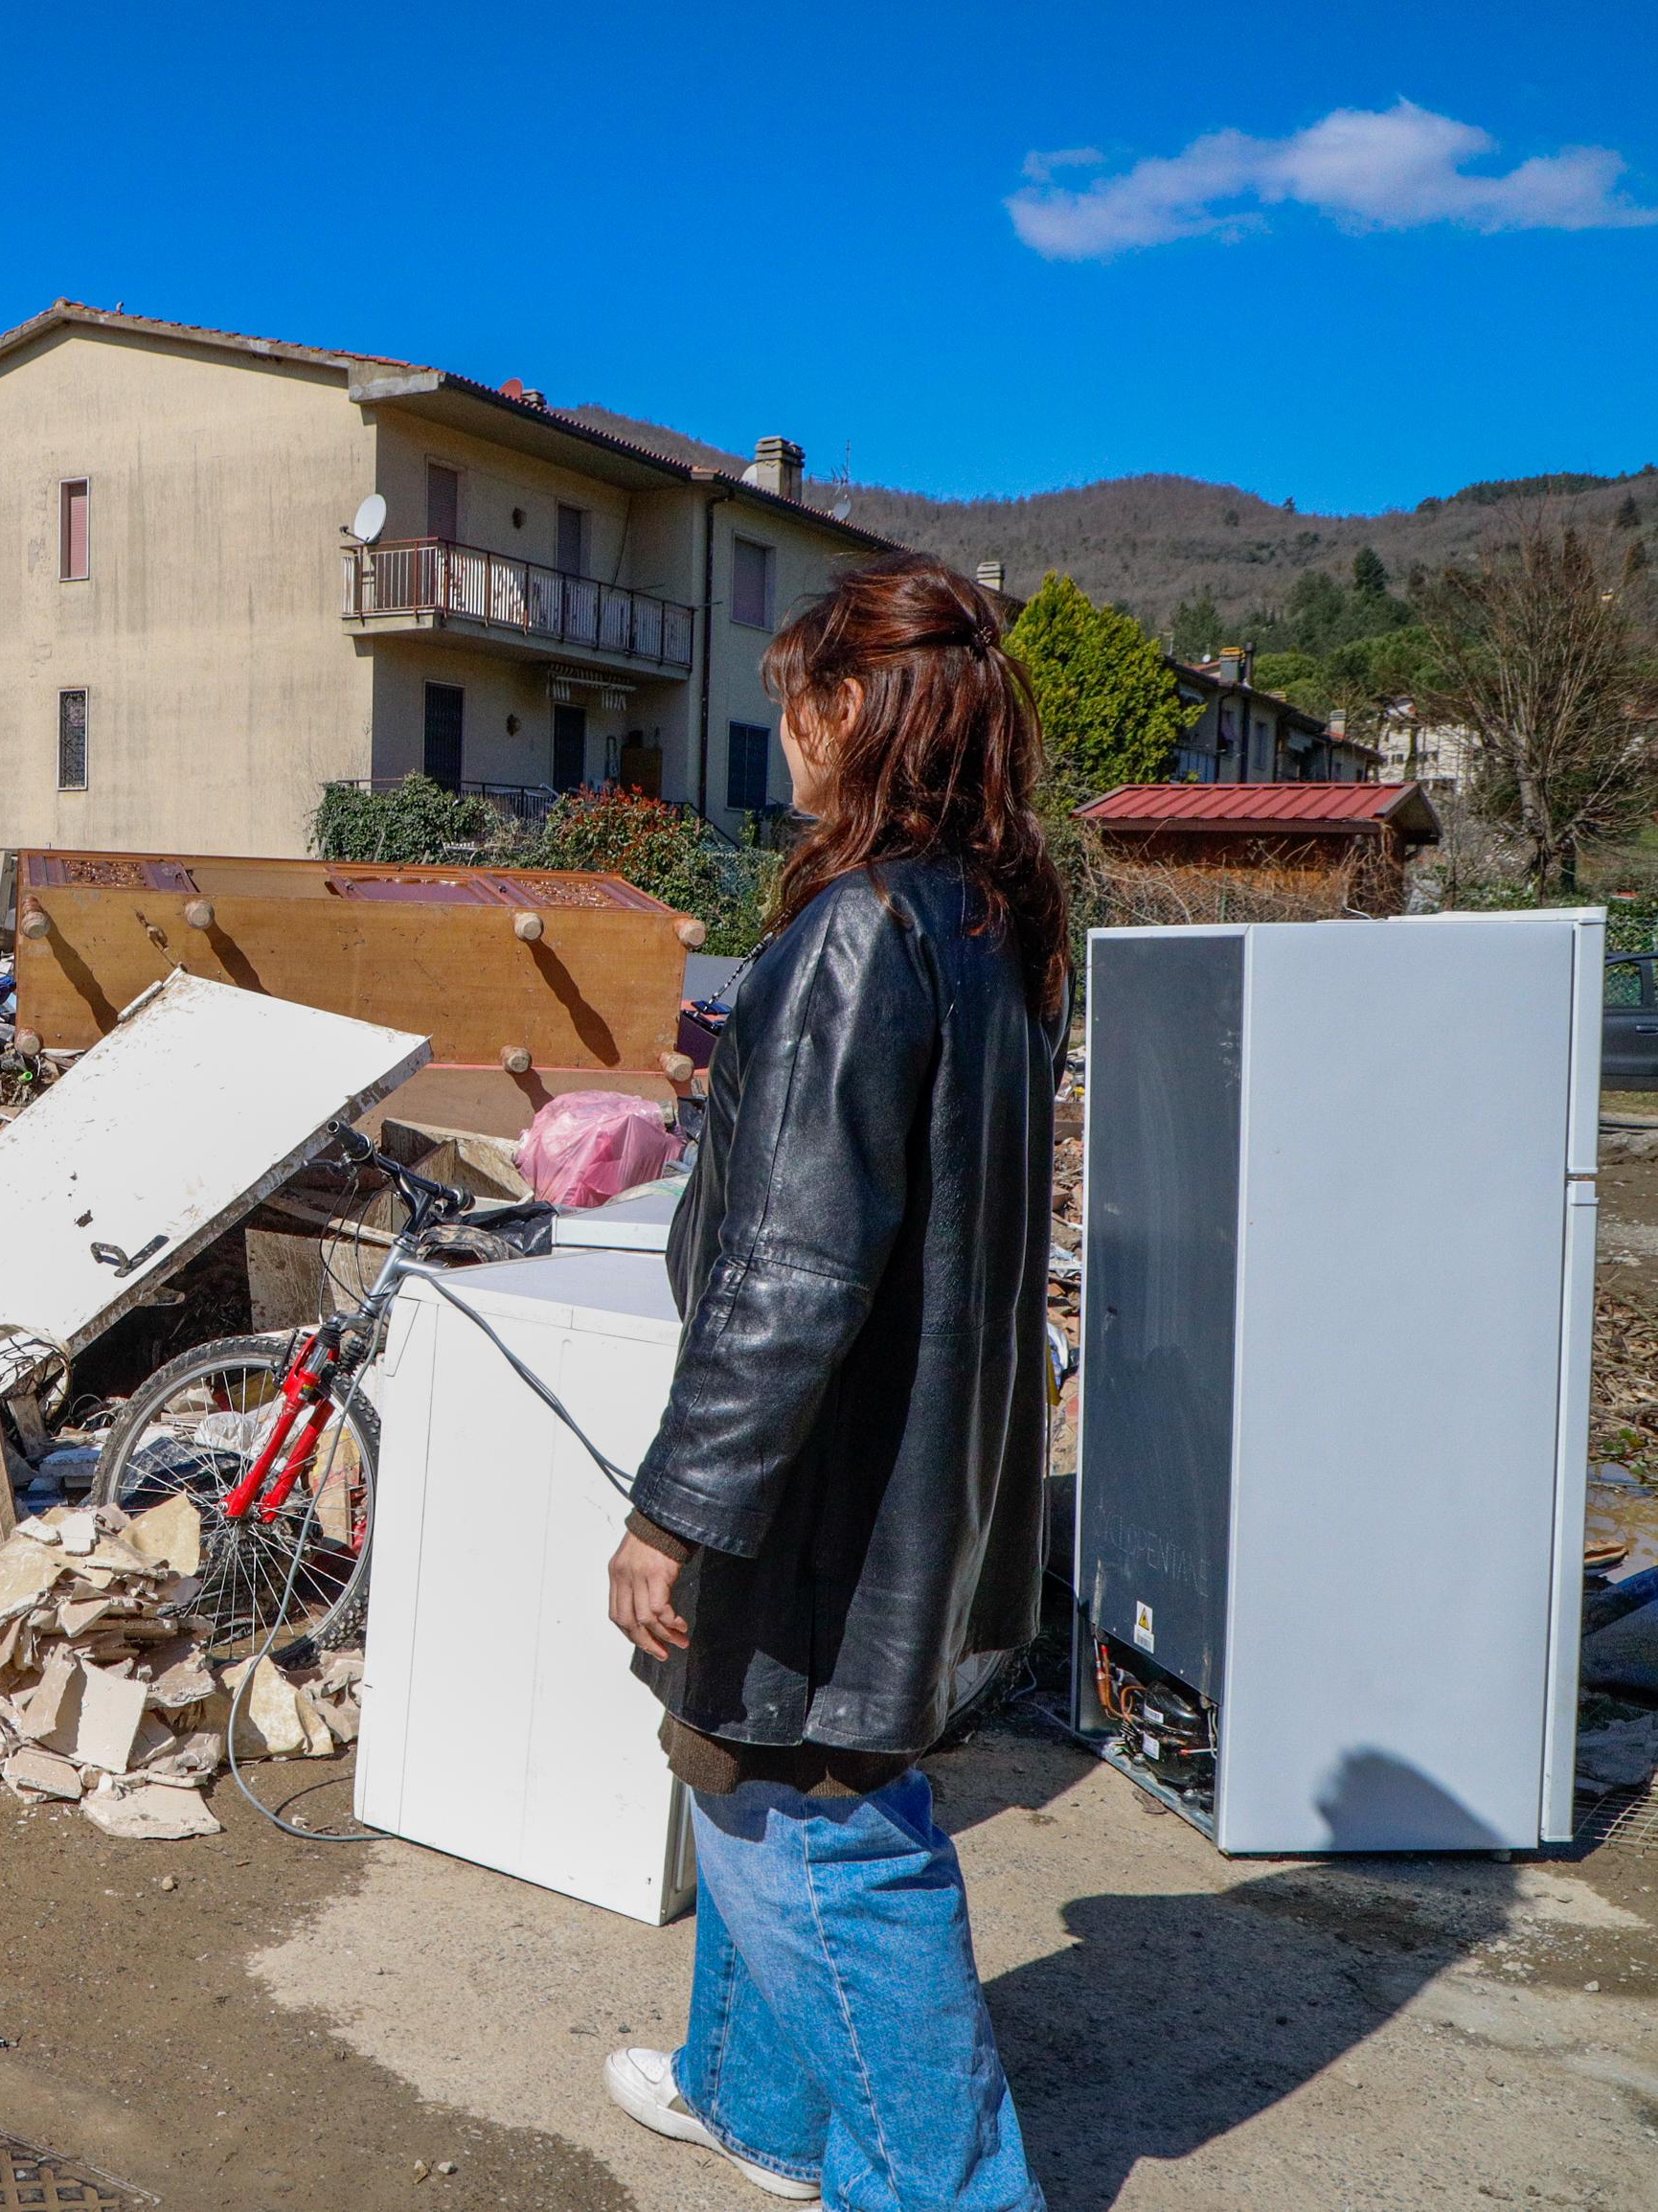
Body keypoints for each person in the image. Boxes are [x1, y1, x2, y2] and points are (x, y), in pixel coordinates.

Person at [599, 554, 1061, 2210]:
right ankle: (762, 2101)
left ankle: (947, 2186)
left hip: (828, 1485)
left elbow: (792, 1276)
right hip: (917, 1468)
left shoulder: (863, 930)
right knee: (746, 1775)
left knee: (816, 1823)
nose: (781, 737)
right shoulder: (988, 915)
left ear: (852, 708)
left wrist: (675, 1507)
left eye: (795, 704)